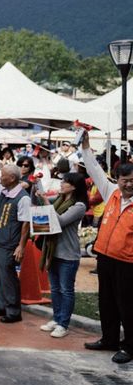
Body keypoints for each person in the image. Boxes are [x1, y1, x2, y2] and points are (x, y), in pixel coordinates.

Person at [80, 134, 133, 364]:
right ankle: (109, 338)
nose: (129, 184)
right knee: (106, 301)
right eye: (125, 180)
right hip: (105, 257)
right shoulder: (111, 192)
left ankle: (129, 347)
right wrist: (85, 147)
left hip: (128, 262)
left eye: (132, 180)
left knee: (128, 305)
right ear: (117, 179)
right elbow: (93, 169)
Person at [35, 173, 87, 338]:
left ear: (74, 186)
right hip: (53, 251)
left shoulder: (79, 206)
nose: (62, 184)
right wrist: (37, 189)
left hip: (68, 254)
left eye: (65, 182)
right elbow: (39, 205)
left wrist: (44, 201)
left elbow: (60, 221)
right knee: (55, 288)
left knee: (66, 290)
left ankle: (63, 324)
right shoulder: (58, 200)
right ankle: (57, 319)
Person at [0, 163, 31, 323]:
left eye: (2, 175)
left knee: (8, 278)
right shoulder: (4, 191)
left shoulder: (23, 198)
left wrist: (21, 246)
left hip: (9, 244)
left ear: (11, 178)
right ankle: (1, 305)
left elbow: (25, 223)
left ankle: (13, 311)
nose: (0, 178)